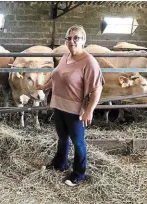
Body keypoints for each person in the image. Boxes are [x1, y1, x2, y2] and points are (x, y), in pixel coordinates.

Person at [37, 25, 104, 187]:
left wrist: (89, 111)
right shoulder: (66, 56)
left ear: (83, 40)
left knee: (78, 142)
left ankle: (78, 174)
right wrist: (44, 87)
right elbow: (56, 76)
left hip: (75, 110)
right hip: (59, 104)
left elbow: (97, 88)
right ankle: (60, 163)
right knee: (62, 137)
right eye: (69, 38)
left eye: (76, 38)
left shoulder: (89, 62)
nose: (71, 41)